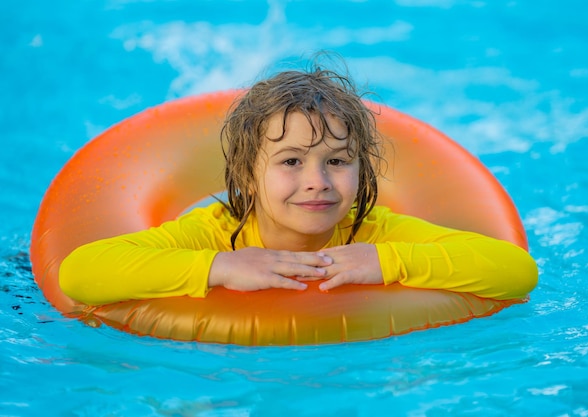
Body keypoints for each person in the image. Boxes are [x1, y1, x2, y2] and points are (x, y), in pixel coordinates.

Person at [59, 60, 538, 306]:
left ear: (361, 170)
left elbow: (516, 272)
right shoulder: (212, 233)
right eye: (290, 161)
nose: (318, 182)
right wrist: (219, 269)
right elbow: (80, 274)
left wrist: (388, 261)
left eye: (337, 161)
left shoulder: (373, 233)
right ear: (248, 174)